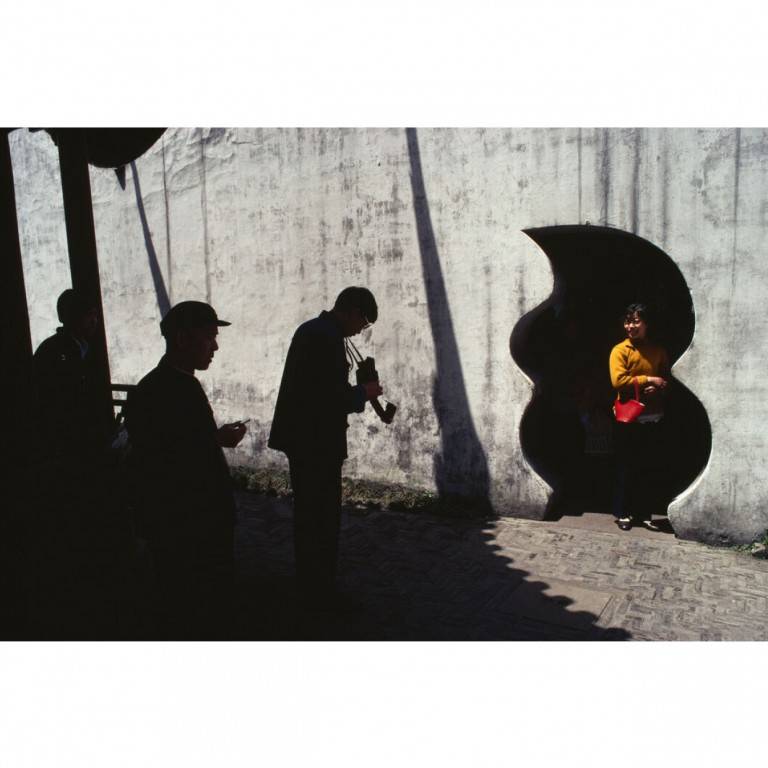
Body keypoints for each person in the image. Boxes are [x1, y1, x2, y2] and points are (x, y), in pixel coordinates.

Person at [124, 301, 247, 637]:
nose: (215, 347)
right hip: (189, 524)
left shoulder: (161, 386)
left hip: (183, 522)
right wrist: (215, 440)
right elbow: (167, 461)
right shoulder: (167, 390)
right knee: (192, 606)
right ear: (182, 339)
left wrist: (213, 439)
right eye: (209, 338)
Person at [268, 286, 383, 610]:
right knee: (320, 519)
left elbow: (319, 389)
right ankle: (317, 593)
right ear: (349, 310)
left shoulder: (318, 332)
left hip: (308, 441)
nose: (360, 330)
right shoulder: (324, 337)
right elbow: (327, 398)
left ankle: (314, 587)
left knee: (312, 517)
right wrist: (365, 392)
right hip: (315, 443)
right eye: (362, 322)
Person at [32, 289, 111, 464]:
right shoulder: (53, 352)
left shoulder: (84, 348)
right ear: (71, 317)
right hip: (66, 443)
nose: (94, 321)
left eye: (95, 315)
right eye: (88, 315)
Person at [609, 302, 670, 531]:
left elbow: (666, 378)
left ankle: (644, 514)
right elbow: (618, 381)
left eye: (635, 321)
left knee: (648, 466)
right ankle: (623, 513)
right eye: (627, 321)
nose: (630, 326)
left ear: (646, 324)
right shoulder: (620, 350)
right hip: (628, 416)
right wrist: (648, 380)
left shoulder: (658, 350)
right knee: (626, 465)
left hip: (652, 415)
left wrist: (660, 386)